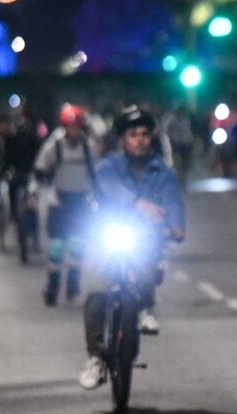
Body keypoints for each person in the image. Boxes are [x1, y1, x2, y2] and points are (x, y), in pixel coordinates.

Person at [79, 106, 185, 389]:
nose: (140, 139)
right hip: (108, 237)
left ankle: (144, 308)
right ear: (122, 139)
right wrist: (138, 203)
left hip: (145, 239)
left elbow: (173, 199)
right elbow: (109, 188)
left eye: (145, 134)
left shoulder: (162, 170)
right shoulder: (108, 167)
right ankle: (96, 357)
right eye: (133, 134)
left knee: (150, 268)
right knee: (95, 292)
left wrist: (177, 227)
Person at [29, 103, 99, 306]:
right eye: (70, 127)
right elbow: (40, 170)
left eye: (77, 127)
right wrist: (33, 191)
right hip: (59, 201)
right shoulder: (55, 145)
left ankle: (73, 285)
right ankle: (52, 287)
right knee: (57, 246)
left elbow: (98, 173)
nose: (74, 131)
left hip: (81, 201)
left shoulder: (89, 146)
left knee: (78, 245)